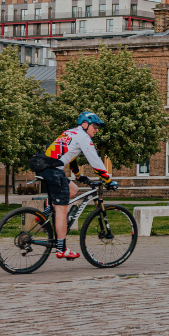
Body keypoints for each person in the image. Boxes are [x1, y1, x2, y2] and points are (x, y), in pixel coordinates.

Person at [37, 111, 111, 260]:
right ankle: (61, 249)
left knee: (73, 189)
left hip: (45, 168)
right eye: (94, 126)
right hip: (53, 171)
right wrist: (108, 180)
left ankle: (44, 214)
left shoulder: (70, 133)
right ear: (85, 125)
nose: (96, 130)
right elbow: (94, 160)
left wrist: (77, 175)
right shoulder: (83, 137)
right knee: (62, 210)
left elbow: (70, 156)